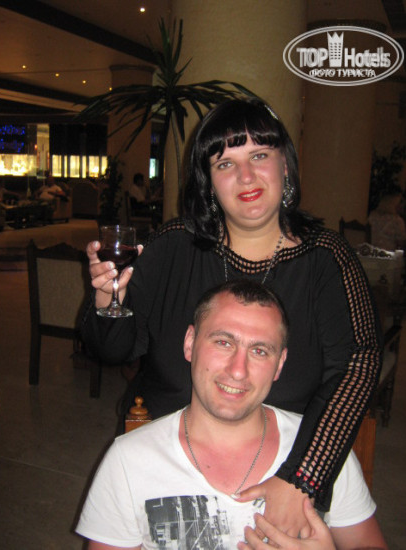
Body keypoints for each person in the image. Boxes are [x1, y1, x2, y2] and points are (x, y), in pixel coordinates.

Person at [82, 98, 381, 530]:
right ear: (208, 182)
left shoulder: (327, 258)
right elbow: (112, 351)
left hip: (282, 470)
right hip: (165, 466)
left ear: (285, 166)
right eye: (225, 163)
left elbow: (358, 365)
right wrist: (106, 300)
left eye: (259, 155)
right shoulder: (173, 245)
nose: (245, 176)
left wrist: (302, 478)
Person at [76, 281, 387, 550]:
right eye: (223, 342)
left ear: (279, 364)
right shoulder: (128, 460)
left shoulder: (322, 450)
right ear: (190, 343)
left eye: (259, 351)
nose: (238, 370)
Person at [368, 186, 406, 251]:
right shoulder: (397, 221)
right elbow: (401, 243)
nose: (402, 205)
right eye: (400, 202)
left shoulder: (372, 215)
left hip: (372, 252)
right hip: (389, 254)